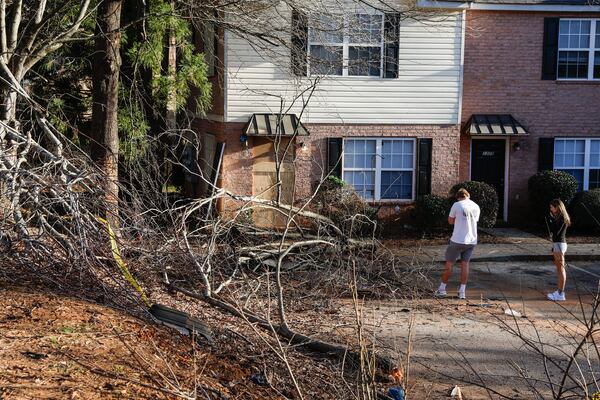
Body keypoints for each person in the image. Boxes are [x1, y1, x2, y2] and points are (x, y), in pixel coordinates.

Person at [435, 188, 480, 299]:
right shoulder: (476, 206)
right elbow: (474, 221)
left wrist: (458, 219)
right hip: (471, 240)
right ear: (467, 196)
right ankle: (462, 292)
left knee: (449, 264)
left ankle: (442, 289)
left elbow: (450, 221)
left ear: (458, 197)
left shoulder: (457, 205)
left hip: (457, 240)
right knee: (465, 265)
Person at [545, 199, 571, 301]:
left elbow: (556, 232)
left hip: (560, 245)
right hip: (558, 244)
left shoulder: (561, 218)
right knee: (559, 269)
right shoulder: (559, 218)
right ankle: (559, 292)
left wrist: (551, 220)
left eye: (552, 207)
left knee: (561, 270)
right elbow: (555, 233)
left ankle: (560, 293)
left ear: (557, 207)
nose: (551, 209)